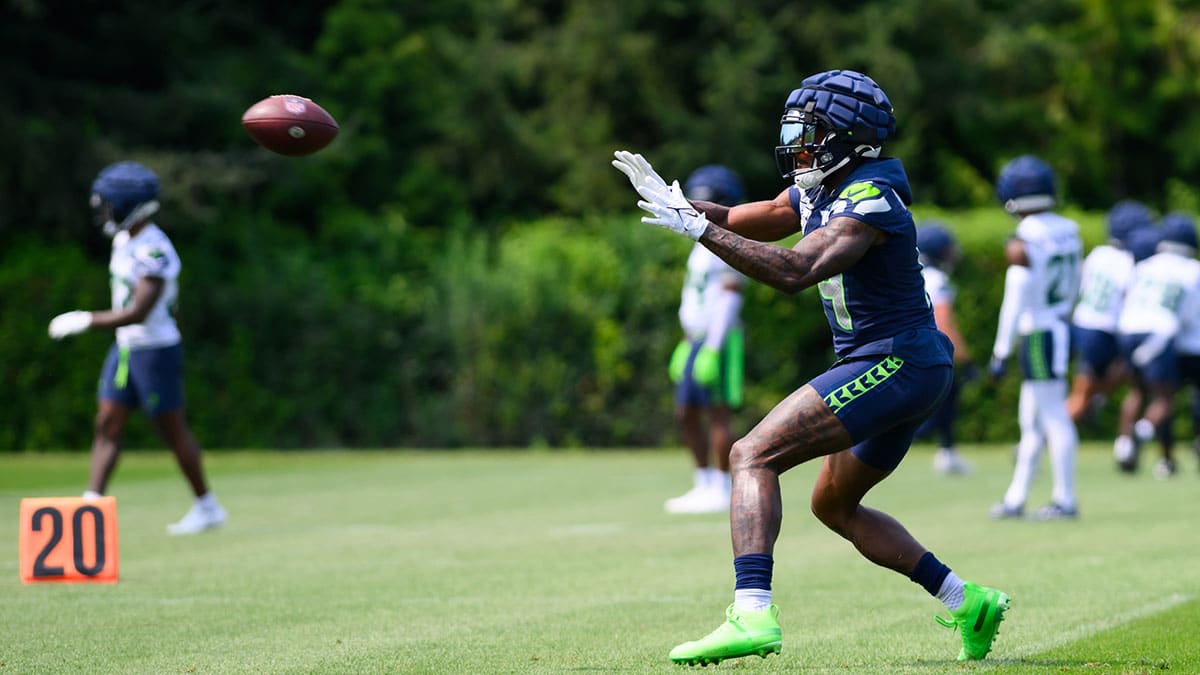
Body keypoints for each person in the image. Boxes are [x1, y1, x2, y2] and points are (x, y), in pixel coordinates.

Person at [613, 69, 1008, 667]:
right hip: (902, 363)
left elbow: (796, 270)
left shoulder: (869, 199)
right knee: (833, 506)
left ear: (848, 139)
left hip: (896, 360)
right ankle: (967, 600)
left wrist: (698, 230)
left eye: (810, 133)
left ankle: (751, 612)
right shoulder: (828, 188)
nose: (798, 145)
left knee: (751, 454)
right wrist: (682, 207)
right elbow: (764, 214)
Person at [48, 161, 227, 535]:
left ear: (127, 204)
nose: (103, 213)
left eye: (108, 205)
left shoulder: (155, 249)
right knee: (107, 424)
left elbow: (139, 311)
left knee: (172, 432)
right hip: (126, 349)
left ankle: (207, 506)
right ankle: (90, 512)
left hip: (155, 351)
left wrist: (85, 319)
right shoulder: (124, 239)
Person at [987, 155, 1083, 521]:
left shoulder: (1025, 237)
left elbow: (1017, 292)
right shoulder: (1070, 229)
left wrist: (1000, 351)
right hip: (1058, 323)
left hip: (1039, 330)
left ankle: (1065, 498)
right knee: (1031, 418)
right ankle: (1017, 496)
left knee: (1053, 416)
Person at [663, 165, 748, 514]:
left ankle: (722, 485)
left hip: (719, 340)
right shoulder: (700, 243)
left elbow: (730, 297)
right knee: (686, 412)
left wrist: (713, 346)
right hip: (696, 339)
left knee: (717, 413)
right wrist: (687, 342)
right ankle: (704, 483)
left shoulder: (727, 240)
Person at [1113, 217, 1200, 478]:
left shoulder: (1145, 265)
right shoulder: (1193, 270)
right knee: (1164, 398)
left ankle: (1124, 444)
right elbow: (1188, 316)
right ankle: (1142, 433)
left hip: (1128, 329)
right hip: (1162, 333)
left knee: (1137, 391)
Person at [1066, 200, 1153, 425]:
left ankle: (1096, 396)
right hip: (1103, 329)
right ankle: (1041, 437)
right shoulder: (1128, 262)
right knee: (1085, 392)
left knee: (1103, 378)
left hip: (1082, 322)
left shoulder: (1099, 253)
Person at [914, 221, 975, 475]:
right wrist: (965, 358)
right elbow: (944, 319)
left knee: (945, 399)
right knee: (939, 403)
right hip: (928, 351)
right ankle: (946, 451)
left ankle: (947, 451)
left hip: (909, 346)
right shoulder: (938, 280)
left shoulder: (913, 273)